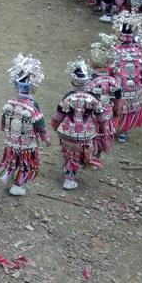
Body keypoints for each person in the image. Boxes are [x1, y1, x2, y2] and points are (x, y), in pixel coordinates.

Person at [0, 55, 49, 197]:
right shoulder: (32, 105)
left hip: (11, 141)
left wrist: (5, 130)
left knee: (13, 160)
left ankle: (9, 179)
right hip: (27, 143)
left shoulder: (9, 103)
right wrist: (45, 137)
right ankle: (17, 185)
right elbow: (40, 123)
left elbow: (3, 121)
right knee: (26, 164)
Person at [51, 61, 105, 191]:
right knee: (81, 152)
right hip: (85, 132)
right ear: (87, 81)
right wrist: (102, 129)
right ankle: (70, 178)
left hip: (67, 131)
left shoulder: (68, 97)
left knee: (70, 153)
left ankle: (70, 172)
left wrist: (55, 126)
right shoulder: (93, 98)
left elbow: (58, 116)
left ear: (73, 81)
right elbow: (101, 118)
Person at [109, 14, 142, 143]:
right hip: (133, 88)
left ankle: (111, 128)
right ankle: (123, 132)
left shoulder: (114, 50)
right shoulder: (138, 51)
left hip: (117, 87)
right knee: (129, 110)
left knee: (114, 107)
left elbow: (109, 69)